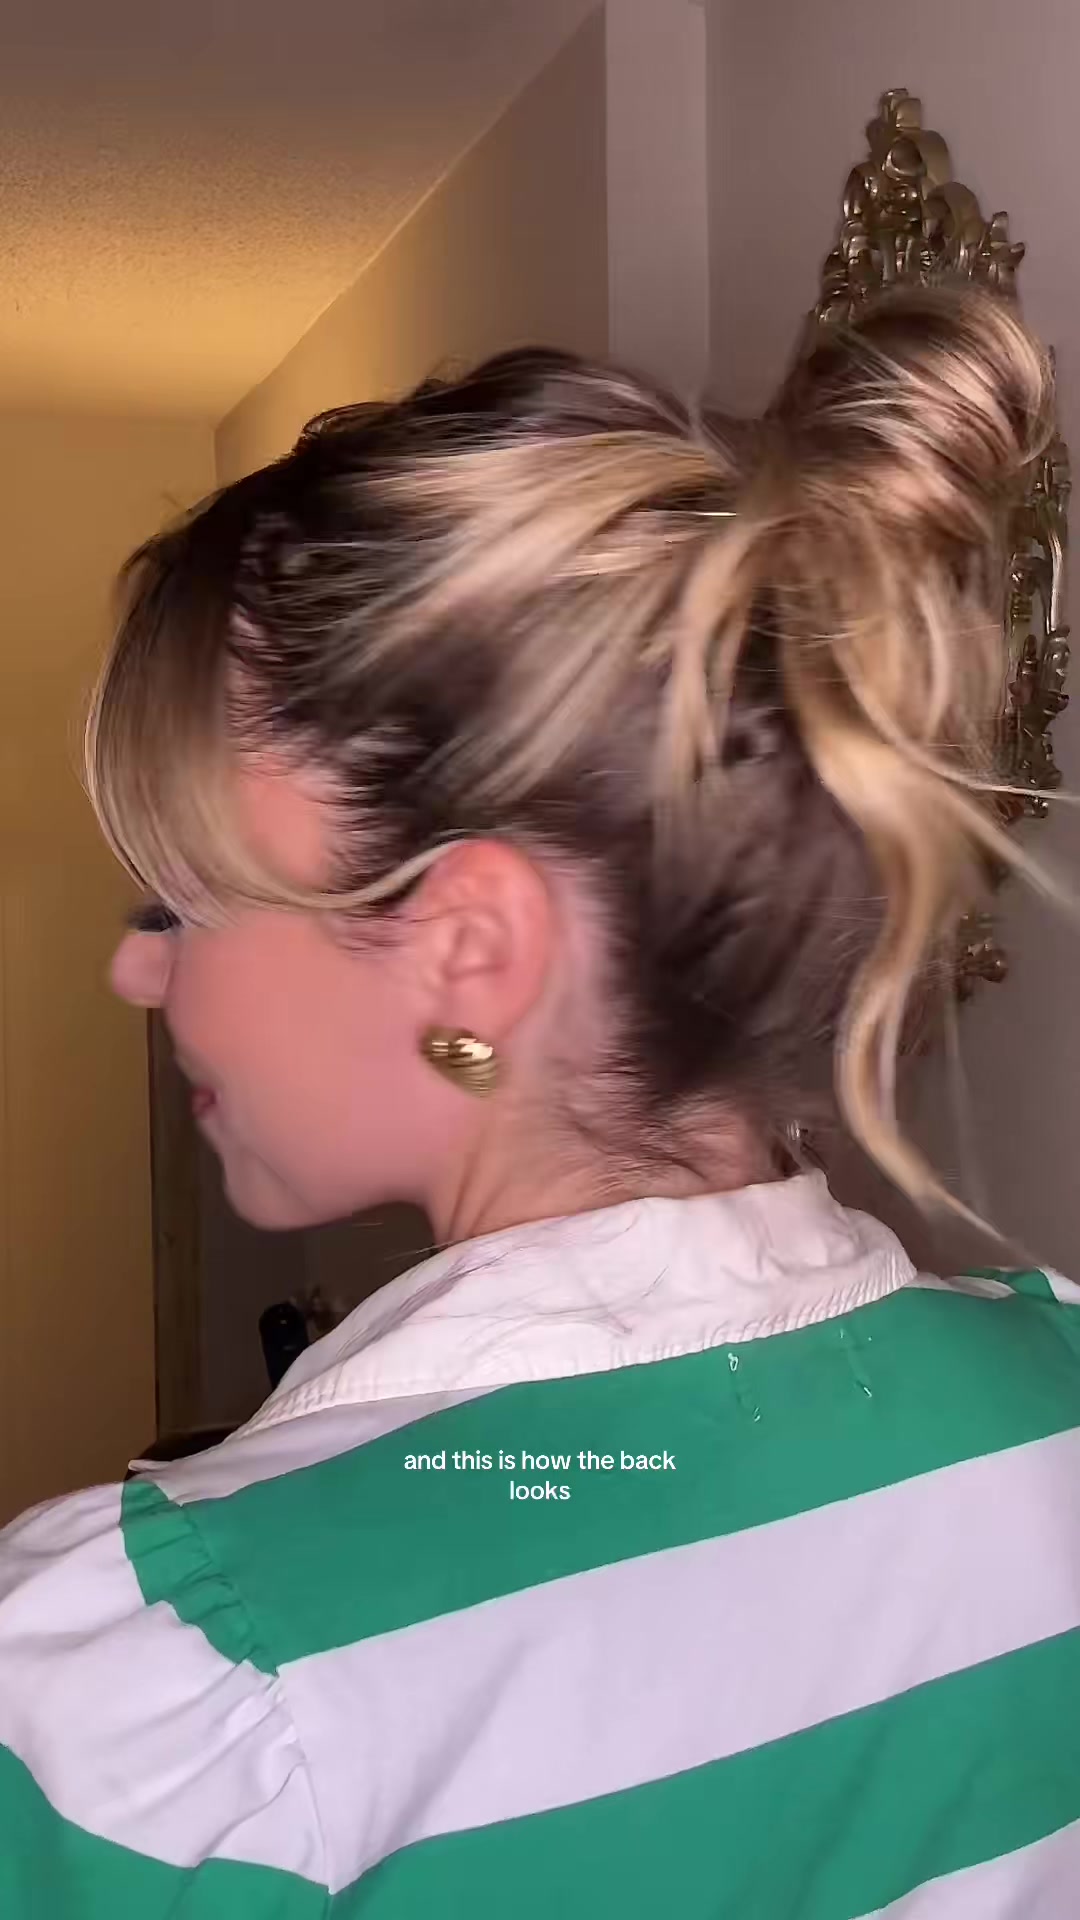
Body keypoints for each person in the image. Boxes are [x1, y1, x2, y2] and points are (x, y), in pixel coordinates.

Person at [1, 286, 1078, 1919]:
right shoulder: (1058, 1390)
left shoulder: (175, 1691)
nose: (137, 975)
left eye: (181, 906)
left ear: (469, 954)